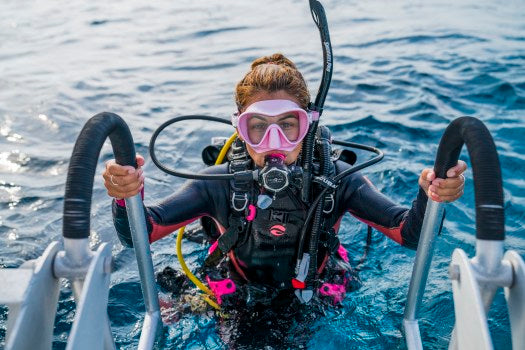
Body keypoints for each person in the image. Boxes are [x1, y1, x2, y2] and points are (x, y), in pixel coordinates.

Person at [103, 53, 466, 309]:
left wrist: (430, 196)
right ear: (240, 130)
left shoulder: (337, 180)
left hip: (317, 286)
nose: (274, 143)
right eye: (258, 127)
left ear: (307, 125)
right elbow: (139, 233)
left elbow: (410, 234)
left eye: (288, 126)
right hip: (237, 287)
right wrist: (125, 196)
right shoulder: (217, 183)